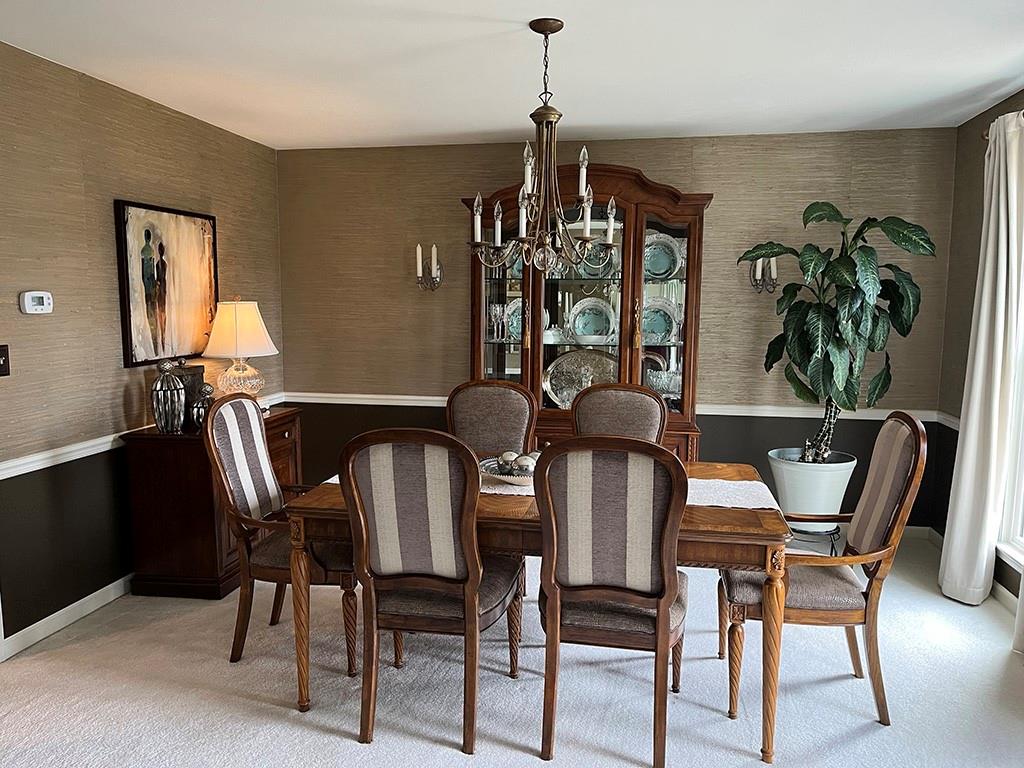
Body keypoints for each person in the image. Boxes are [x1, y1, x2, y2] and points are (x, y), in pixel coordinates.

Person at [140, 229, 159, 353]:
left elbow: (146, 271)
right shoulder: (148, 251)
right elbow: (148, 271)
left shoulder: (145, 251)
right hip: (149, 283)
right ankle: (154, 344)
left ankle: (155, 344)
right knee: (151, 310)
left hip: (149, 284)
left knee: (151, 310)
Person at [155, 241, 169, 354]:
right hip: (162, 289)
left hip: (162, 289)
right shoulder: (161, 263)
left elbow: (160, 278)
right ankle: (162, 339)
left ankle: (164, 338)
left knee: (162, 311)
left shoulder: (162, 263)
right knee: (161, 311)